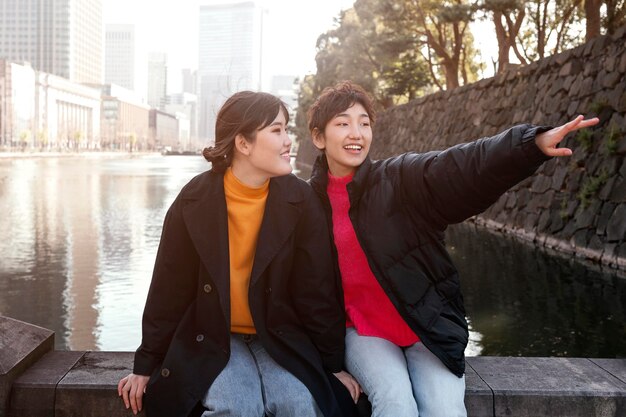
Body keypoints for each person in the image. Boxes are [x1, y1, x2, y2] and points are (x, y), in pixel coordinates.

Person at [306, 81, 599, 417]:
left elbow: (462, 164)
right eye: (343, 124)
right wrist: (329, 363)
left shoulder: (399, 179)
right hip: (363, 331)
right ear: (318, 137)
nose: (356, 133)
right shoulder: (305, 203)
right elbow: (304, 290)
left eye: (364, 123)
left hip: (426, 327)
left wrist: (529, 145)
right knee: (396, 403)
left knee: (445, 410)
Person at [118, 91, 360, 417]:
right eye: (276, 130)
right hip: (213, 334)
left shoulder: (301, 201)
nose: (289, 140)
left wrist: (333, 366)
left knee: (300, 404)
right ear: (243, 144)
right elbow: (168, 289)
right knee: (237, 407)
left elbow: (316, 291)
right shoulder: (194, 200)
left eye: (286, 129)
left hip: (279, 334)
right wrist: (145, 364)